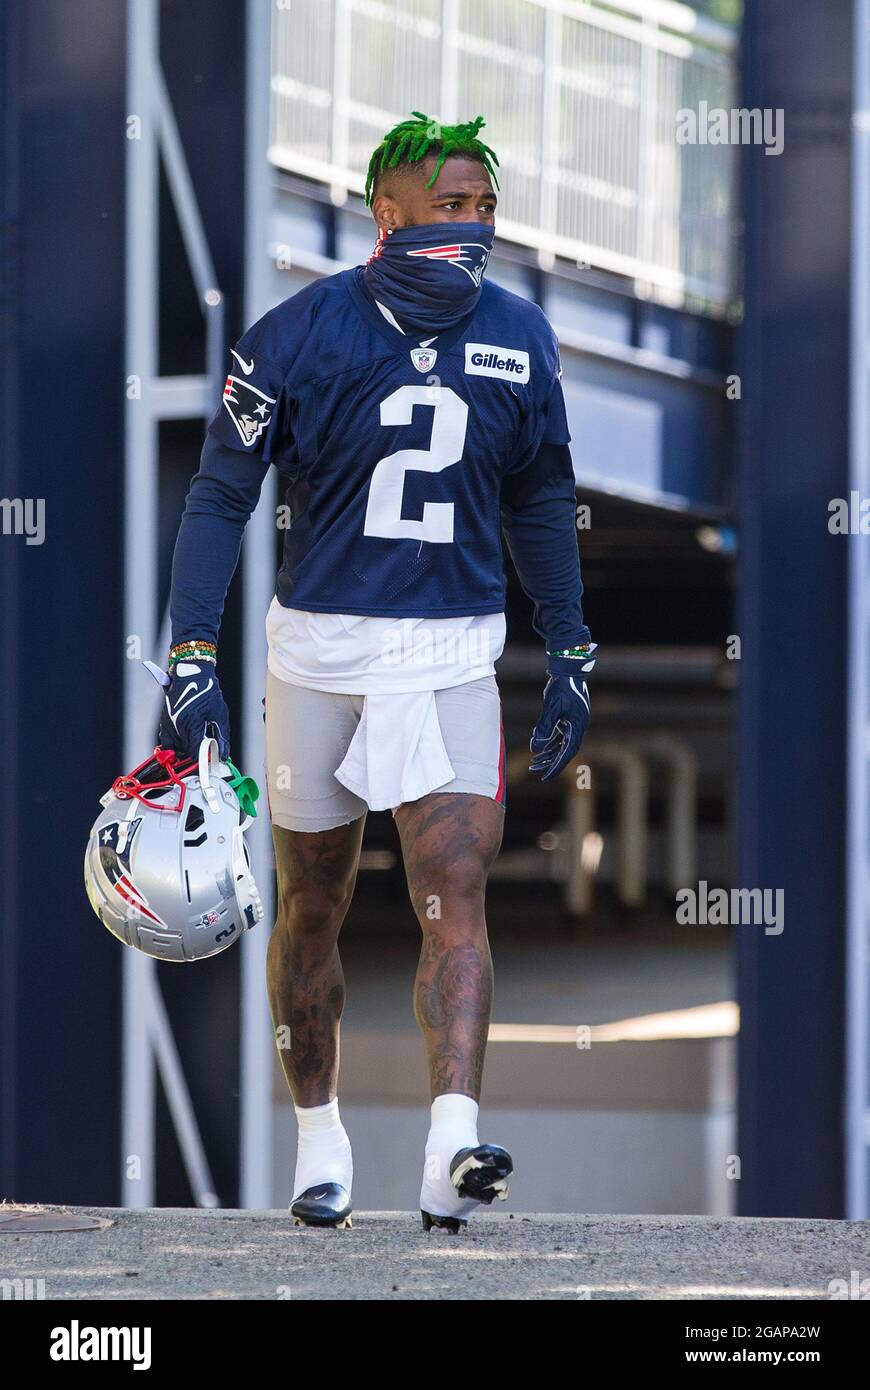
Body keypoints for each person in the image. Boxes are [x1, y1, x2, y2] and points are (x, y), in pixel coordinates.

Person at [161, 112, 596, 1231]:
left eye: (486, 207)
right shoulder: (295, 332)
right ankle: (321, 1136)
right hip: (319, 649)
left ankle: (453, 1139)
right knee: (313, 904)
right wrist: (191, 652)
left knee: (455, 892)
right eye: (450, 205)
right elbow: (219, 495)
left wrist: (571, 648)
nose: (474, 225)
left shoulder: (522, 335)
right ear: (386, 213)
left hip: (450, 650)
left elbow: (542, 498)